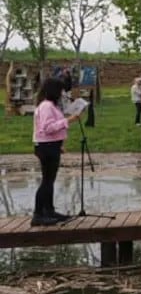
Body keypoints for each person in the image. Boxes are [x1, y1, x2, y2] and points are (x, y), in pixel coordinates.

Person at [30, 78, 83, 226]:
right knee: (46, 181)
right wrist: (69, 120)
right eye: (60, 90)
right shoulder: (46, 106)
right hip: (46, 147)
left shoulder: (50, 106)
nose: (62, 93)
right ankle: (38, 214)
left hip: (51, 145)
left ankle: (49, 210)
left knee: (50, 180)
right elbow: (47, 128)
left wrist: (59, 144)